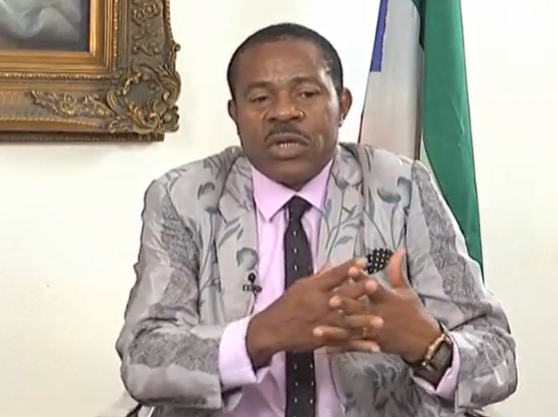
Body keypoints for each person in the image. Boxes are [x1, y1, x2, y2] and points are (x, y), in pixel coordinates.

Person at [115, 23, 517, 417]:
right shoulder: (183, 197)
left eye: (306, 93)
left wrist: (428, 346)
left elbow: (497, 357)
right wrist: (260, 335)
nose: (283, 112)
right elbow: (143, 358)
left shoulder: (402, 188)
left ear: (342, 105)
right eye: (259, 98)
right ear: (235, 114)